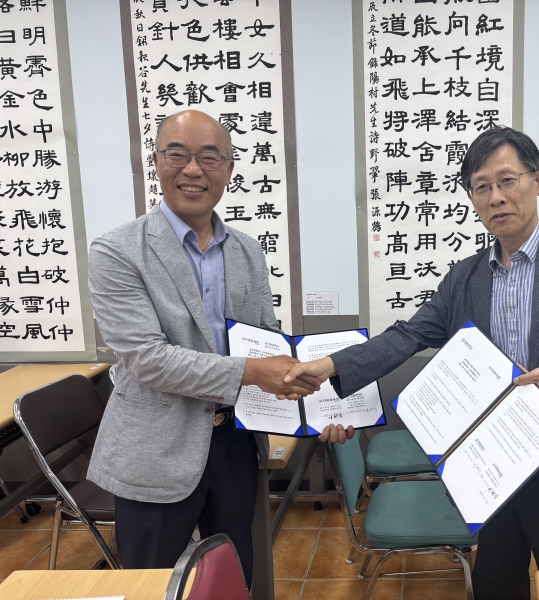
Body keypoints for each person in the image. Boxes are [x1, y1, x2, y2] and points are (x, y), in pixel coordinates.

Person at [285, 127, 539, 599]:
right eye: (481, 187)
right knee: (494, 583)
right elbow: (408, 335)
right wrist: (331, 366)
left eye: (507, 180)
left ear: (538, 181)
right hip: (491, 466)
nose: (496, 197)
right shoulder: (466, 278)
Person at [87, 110, 349, 583]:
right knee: (153, 584)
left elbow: (268, 342)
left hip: (234, 440)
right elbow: (148, 360)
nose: (193, 170)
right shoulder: (116, 251)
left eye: (209, 157)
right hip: (156, 448)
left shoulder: (246, 250)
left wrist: (323, 411)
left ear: (228, 170)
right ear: (156, 162)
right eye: (177, 155)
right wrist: (253, 372)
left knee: (231, 576)